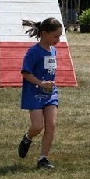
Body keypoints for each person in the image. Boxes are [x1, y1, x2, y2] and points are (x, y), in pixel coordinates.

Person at [18, 18, 62, 170]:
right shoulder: (33, 52)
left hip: (50, 94)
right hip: (34, 93)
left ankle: (43, 159)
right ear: (44, 33)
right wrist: (41, 83)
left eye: (60, 36)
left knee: (51, 125)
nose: (58, 39)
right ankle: (27, 138)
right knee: (37, 126)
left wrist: (49, 84)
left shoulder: (54, 50)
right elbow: (25, 73)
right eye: (56, 36)